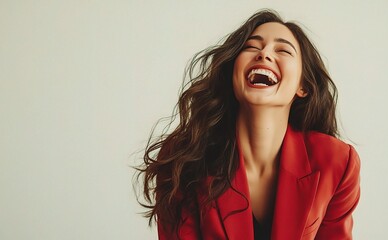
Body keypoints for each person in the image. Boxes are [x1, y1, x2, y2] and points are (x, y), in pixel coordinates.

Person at [135, 9, 360, 240]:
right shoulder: (185, 157)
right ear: (233, 71)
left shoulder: (337, 163)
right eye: (252, 47)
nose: (264, 54)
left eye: (282, 50)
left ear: (303, 86)